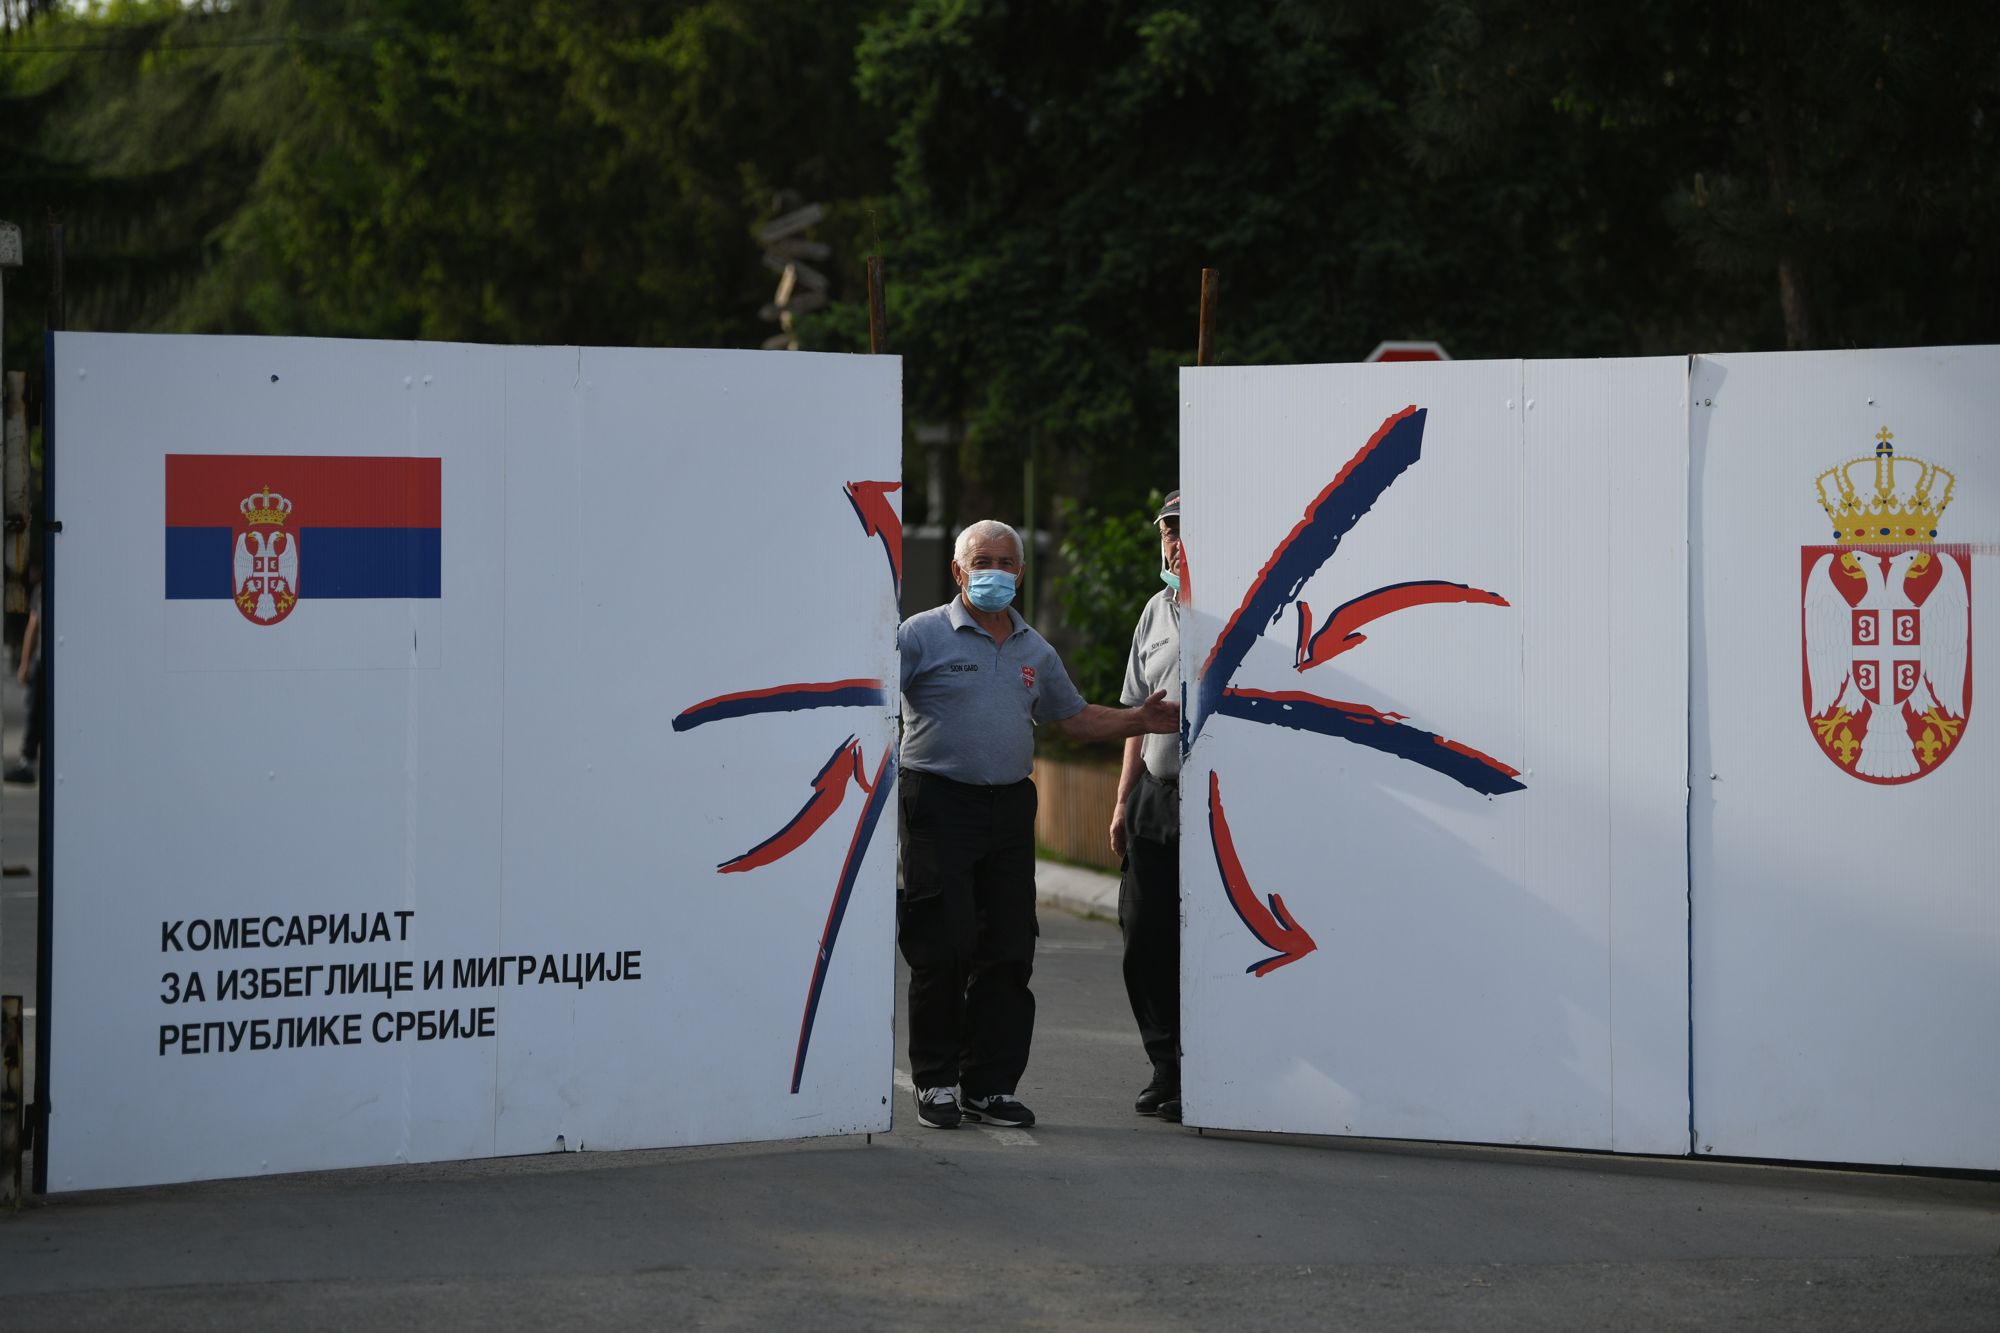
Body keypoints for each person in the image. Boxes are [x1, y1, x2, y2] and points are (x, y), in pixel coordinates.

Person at [898, 519, 1179, 1129]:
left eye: (1005, 562)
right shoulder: (919, 636)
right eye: (981, 561)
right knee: (943, 947)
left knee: (1008, 950)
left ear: (1021, 574)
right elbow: (870, 704)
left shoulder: (1034, 650)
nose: (993, 572)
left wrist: (1142, 721)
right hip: (937, 805)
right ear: (957, 570)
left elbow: (1074, 720)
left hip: (1007, 810)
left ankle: (990, 1086)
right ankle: (938, 1082)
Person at [1110, 490, 1184, 1122]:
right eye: (1168, 533)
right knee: (1143, 935)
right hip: (1154, 798)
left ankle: (1205, 1068)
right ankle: (1166, 1066)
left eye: (1186, 532)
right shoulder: (1154, 613)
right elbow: (1136, 713)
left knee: (1211, 940)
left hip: (1223, 806)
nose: (1175, 544)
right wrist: (1120, 798)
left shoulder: (1244, 609)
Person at [5, 571, 41, 785]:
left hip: (43, 661)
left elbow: (33, 627)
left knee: (34, 714)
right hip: (54, 661)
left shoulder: (42, 589)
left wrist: (25, 664)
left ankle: (28, 761)